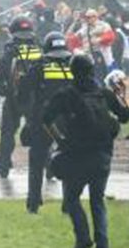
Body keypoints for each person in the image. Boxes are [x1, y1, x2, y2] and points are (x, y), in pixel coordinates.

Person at [44, 55, 129, 248]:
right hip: (103, 155)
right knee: (97, 200)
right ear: (92, 70)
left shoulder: (66, 94)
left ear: (72, 71)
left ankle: (83, 238)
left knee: (72, 199)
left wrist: (60, 140)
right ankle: (103, 242)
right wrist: (124, 94)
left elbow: (46, 118)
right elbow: (125, 117)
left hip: (77, 155)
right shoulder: (104, 93)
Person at [18, 31, 73, 214]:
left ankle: (33, 203)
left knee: (37, 162)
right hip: (69, 119)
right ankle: (68, 204)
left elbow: (24, 92)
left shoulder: (40, 65)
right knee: (69, 160)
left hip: (44, 119)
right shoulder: (74, 64)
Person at [0, 15, 42, 178]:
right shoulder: (39, 47)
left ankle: (3, 164)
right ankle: (47, 163)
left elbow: (4, 72)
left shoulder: (10, 48)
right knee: (39, 132)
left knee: (7, 132)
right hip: (35, 97)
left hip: (14, 97)